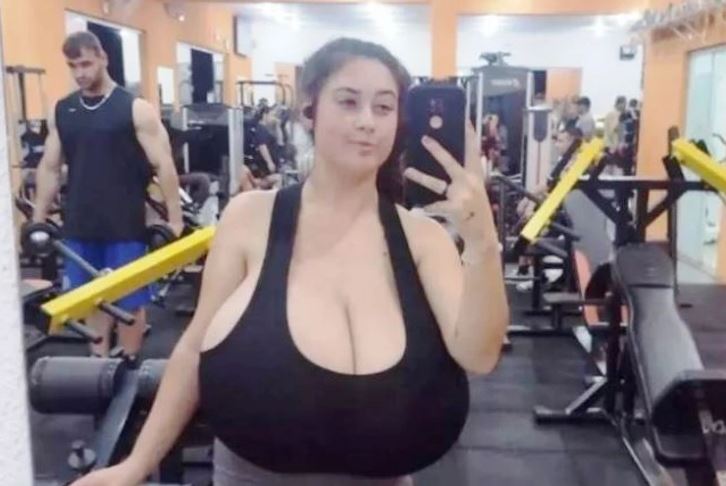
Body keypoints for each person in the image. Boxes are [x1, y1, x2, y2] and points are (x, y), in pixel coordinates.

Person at [72, 38, 508, 486]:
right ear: (308, 111)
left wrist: (482, 242)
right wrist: (135, 464)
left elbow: (478, 356)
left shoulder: (424, 240)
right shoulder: (249, 218)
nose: (367, 122)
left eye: (383, 107)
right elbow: (193, 350)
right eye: (348, 102)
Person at [32, 31, 183, 360]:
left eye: (86, 64)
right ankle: (99, 367)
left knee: (129, 302)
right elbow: (49, 168)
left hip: (124, 223)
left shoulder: (135, 108)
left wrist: (175, 219)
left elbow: (163, 164)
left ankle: (128, 366)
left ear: (103, 58)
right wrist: (37, 222)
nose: (79, 73)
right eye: (73, 66)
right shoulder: (63, 110)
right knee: (91, 300)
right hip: (79, 222)